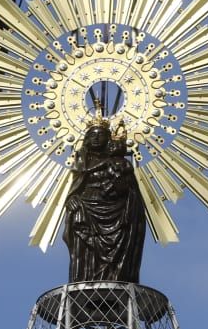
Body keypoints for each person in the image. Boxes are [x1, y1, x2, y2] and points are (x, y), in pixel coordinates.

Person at [62, 119, 147, 283]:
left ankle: (116, 279)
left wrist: (120, 182)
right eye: (92, 135)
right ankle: (84, 282)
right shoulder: (82, 162)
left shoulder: (120, 162)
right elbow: (75, 188)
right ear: (86, 138)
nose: (96, 138)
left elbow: (128, 189)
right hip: (86, 209)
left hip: (117, 211)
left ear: (107, 138)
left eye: (100, 134)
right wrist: (71, 199)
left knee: (118, 253)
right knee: (84, 249)